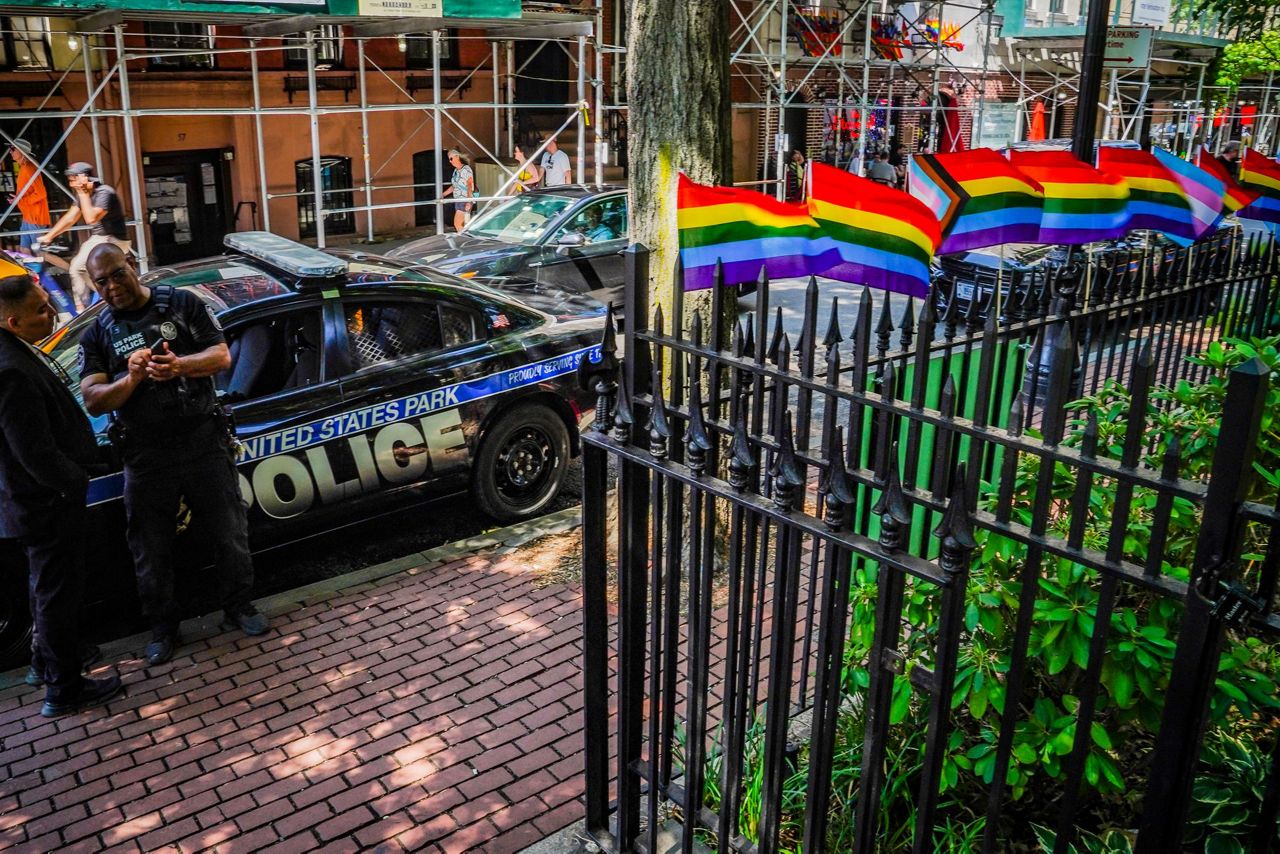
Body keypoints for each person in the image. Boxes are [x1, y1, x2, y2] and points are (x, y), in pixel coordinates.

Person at [78, 244, 268, 666]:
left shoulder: (180, 304)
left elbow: (221, 356)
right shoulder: (98, 332)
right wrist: (131, 378)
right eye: (101, 282)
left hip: (202, 441)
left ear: (133, 267)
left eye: (117, 275)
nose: (112, 287)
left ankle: (239, 607)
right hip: (145, 455)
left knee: (228, 532)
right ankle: (163, 629)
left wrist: (178, 366)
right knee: (151, 548)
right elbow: (92, 399)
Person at [0, 273, 122, 717]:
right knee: (56, 594)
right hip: (45, 504)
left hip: (34, 502)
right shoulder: (10, 371)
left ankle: (42, 664)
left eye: (48, 303)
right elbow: (34, 453)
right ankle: (64, 688)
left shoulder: (13, 354)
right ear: (13, 321)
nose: (51, 313)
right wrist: (75, 482)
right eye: (40, 310)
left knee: (44, 590)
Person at [39, 162, 131, 313]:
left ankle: (86, 309)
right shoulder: (83, 195)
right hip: (99, 238)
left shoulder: (104, 192)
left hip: (113, 240)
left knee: (77, 268)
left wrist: (83, 194)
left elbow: (91, 219)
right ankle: (100, 300)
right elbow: (71, 217)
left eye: (72, 179)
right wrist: (49, 236)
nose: (70, 183)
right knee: (81, 268)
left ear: (84, 177)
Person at [7, 139, 50, 253]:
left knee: (41, 253)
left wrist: (21, 201)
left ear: (21, 151)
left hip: (35, 217)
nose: (9, 151)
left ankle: (71, 269)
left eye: (12, 149)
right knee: (24, 250)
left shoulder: (29, 167)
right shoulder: (24, 167)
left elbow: (41, 193)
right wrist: (18, 200)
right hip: (28, 216)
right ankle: (29, 271)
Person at [440, 150, 475, 233]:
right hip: (458, 200)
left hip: (464, 200)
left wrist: (469, 201)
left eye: (451, 158)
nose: (450, 161)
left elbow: (469, 185)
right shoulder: (456, 171)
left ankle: (463, 241)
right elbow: (454, 186)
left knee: (458, 224)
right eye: (449, 159)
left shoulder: (466, 169)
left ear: (457, 157)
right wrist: (443, 194)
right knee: (463, 225)